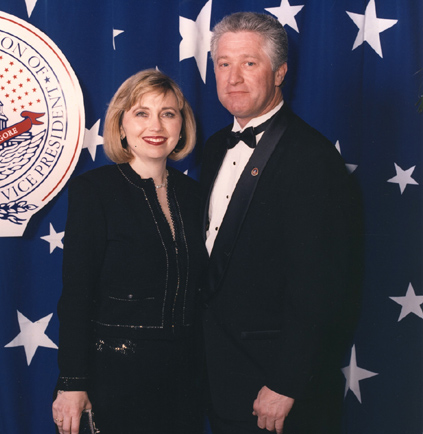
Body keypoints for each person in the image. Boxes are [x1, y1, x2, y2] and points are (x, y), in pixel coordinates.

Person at [200, 12, 363, 434]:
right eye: (223, 63)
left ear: (280, 73)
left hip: (277, 390)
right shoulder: (214, 147)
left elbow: (323, 287)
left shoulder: (314, 159)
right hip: (218, 379)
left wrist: (286, 383)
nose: (233, 77)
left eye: (249, 63)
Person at [52, 69, 207, 434]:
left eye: (168, 113)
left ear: (181, 126)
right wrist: (72, 382)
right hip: (114, 378)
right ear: (121, 125)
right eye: (141, 113)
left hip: (183, 382)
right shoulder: (95, 191)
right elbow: (76, 294)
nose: (156, 125)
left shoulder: (195, 195)